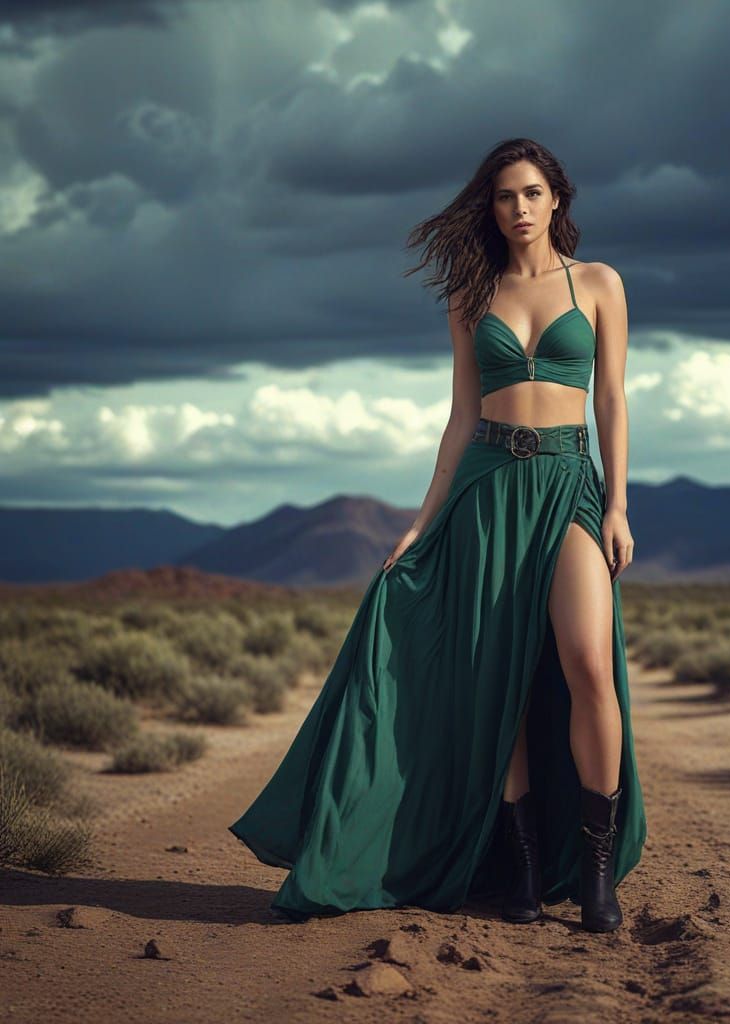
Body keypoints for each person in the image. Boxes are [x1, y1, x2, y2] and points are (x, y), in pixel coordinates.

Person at [228, 137, 647, 934]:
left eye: (530, 193)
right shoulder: (472, 292)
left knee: (588, 663)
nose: (516, 209)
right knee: (506, 681)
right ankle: (518, 866)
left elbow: (612, 404)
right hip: (486, 489)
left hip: (567, 487)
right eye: (502, 197)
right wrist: (422, 519)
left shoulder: (597, 285)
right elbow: (461, 416)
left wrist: (618, 505)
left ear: (557, 198)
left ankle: (596, 871)